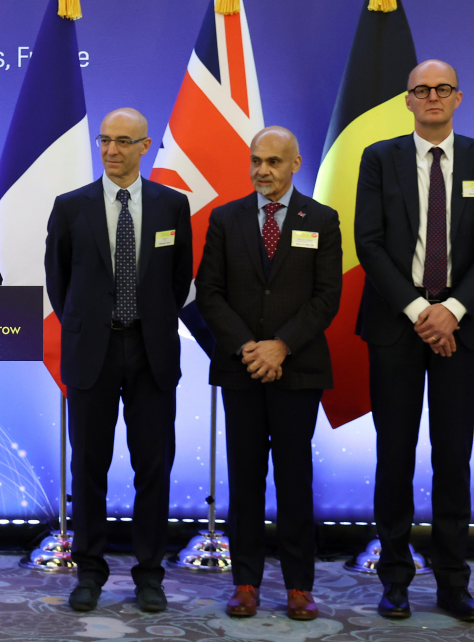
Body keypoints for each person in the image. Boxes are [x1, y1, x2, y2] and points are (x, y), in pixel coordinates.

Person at [355, 60, 474, 622]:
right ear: (408, 100)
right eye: (422, 90)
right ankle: (394, 577)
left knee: (454, 459)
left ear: (459, 98)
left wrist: (453, 312)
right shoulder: (379, 159)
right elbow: (369, 243)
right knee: (393, 456)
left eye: (443, 89)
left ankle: (452, 583)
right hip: (397, 325)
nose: (433, 97)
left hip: (462, 331)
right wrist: (425, 312)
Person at [44, 108, 192, 613]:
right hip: (93, 352)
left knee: (154, 467)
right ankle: (89, 571)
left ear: (144, 146)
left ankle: (149, 574)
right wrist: (90, 326)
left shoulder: (172, 206)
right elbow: (59, 283)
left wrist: (146, 322)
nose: (111, 151)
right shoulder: (71, 207)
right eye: (104, 141)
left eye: (123, 142)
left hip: (151, 351)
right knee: (89, 465)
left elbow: (178, 282)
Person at [195, 127, 342, 621]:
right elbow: (209, 293)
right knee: (245, 479)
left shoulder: (321, 219)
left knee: (294, 479)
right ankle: (245, 582)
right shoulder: (226, 218)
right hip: (241, 370)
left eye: (274, 162)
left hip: (297, 370)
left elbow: (327, 298)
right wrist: (247, 348)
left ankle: (300, 585)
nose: (263, 170)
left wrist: (281, 346)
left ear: (296, 163)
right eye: (256, 160)